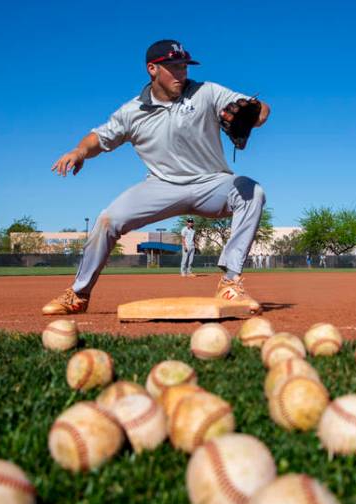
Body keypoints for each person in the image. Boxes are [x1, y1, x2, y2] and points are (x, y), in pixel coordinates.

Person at [42, 39, 270, 315]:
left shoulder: (207, 92)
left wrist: (256, 114)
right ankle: (78, 294)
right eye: (173, 66)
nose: (181, 72)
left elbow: (260, 109)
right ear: (152, 69)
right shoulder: (132, 112)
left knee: (252, 192)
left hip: (211, 184)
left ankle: (230, 282)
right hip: (161, 186)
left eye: (184, 65)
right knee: (107, 220)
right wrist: (79, 151)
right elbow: (99, 137)